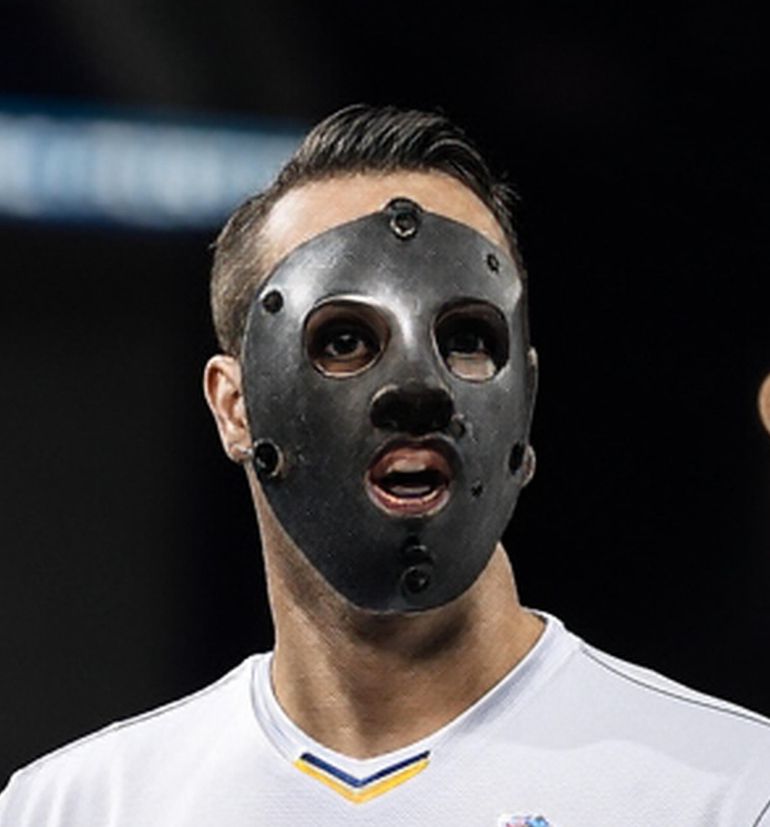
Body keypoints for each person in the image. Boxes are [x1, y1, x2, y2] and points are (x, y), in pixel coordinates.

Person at [2, 105, 769, 826]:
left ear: (525, 393)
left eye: (467, 337)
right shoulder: (75, 809)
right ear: (235, 407)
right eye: (343, 341)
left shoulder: (728, 792)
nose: (418, 391)